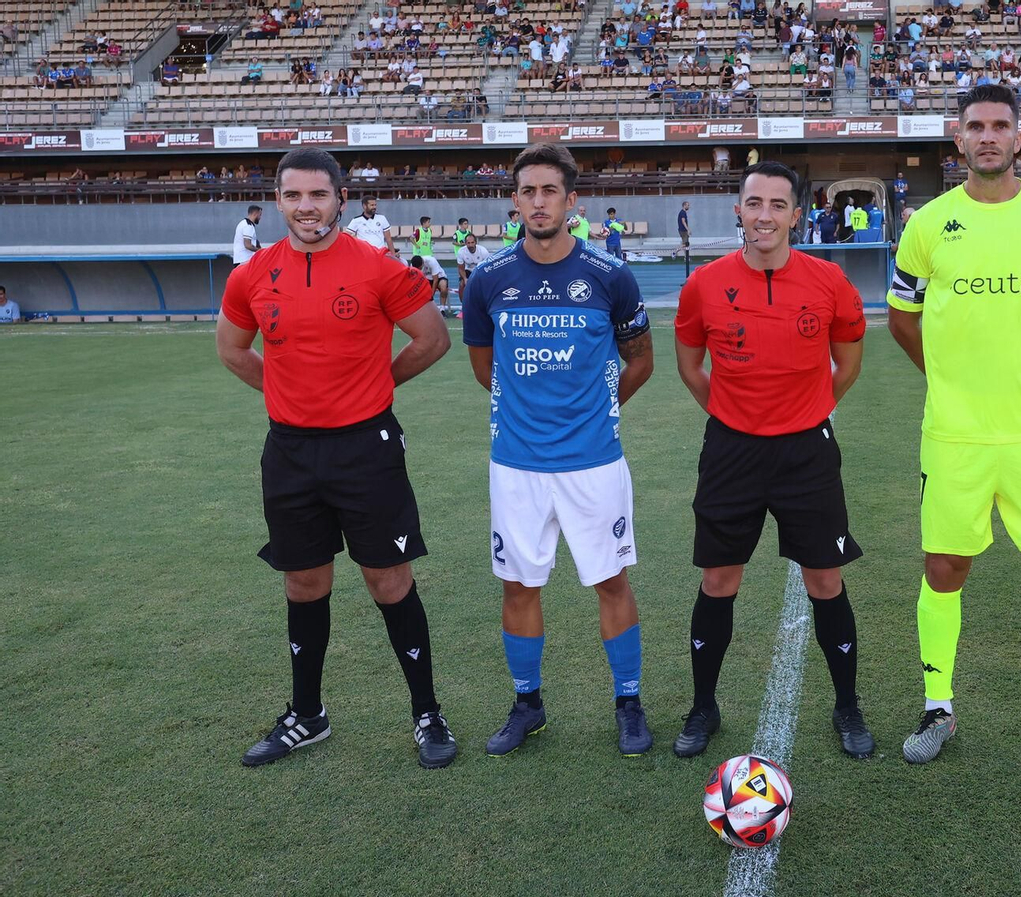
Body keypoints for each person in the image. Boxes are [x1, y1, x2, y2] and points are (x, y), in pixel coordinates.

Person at [216, 148, 456, 769]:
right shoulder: (252, 274)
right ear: (277, 201)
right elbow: (233, 349)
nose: (306, 208)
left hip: (365, 446)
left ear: (341, 200)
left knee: (388, 580)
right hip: (290, 451)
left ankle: (427, 713)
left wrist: (377, 386)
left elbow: (432, 339)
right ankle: (307, 714)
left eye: (317, 195)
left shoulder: (378, 266)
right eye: (293, 196)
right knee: (304, 580)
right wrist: (284, 393)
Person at [886, 84, 1021, 769]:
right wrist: (951, 377)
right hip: (954, 433)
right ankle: (937, 705)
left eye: (999, 126)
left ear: (1019, 139)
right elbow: (901, 315)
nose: (987, 137)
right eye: (974, 126)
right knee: (945, 567)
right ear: (958, 140)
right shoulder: (927, 224)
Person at [671, 160, 872, 761]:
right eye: (754, 203)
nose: (764, 216)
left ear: (797, 213)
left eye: (777, 205)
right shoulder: (703, 284)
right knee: (718, 579)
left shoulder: (829, 283)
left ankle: (847, 706)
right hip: (731, 451)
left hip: (807, 452)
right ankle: (703, 706)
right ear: (739, 209)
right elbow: (689, 366)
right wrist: (734, 415)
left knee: (826, 580)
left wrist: (809, 412)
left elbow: (849, 362)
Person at [461, 144, 657, 759]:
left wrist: (598, 407)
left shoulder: (608, 275)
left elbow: (642, 360)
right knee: (518, 585)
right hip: (516, 464)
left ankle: (628, 703)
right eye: (528, 191)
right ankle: (528, 704)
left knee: (610, 579)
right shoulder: (490, 279)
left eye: (551, 191)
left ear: (573, 202)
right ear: (514, 201)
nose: (539, 202)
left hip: (594, 462)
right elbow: (485, 368)